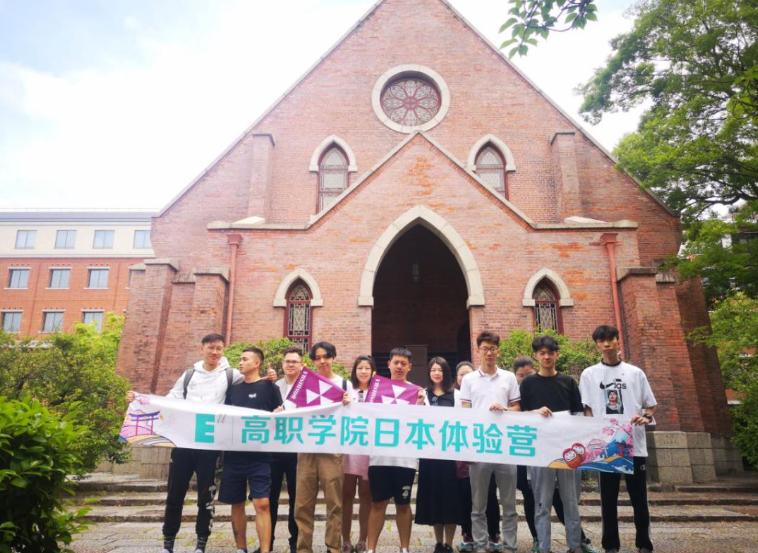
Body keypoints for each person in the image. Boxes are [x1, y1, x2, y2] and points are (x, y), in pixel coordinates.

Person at [126, 333, 241, 553]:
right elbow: (170, 400)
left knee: (206, 498)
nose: (215, 352)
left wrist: (270, 378)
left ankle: (201, 543)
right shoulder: (189, 375)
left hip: (209, 446)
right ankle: (168, 542)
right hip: (183, 444)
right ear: (202, 349)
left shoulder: (230, 375)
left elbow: (252, 384)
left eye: (219, 348)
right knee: (175, 495)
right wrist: (140, 399)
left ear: (223, 350)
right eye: (211, 348)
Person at [580, 325, 658, 553]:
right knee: (608, 499)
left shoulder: (635, 373)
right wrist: (594, 434)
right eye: (601, 340)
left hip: (634, 445)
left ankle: (644, 543)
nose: (606, 344)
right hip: (606, 446)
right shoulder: (589, 374)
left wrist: (645, 417)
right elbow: (587, 409)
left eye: (610, 339)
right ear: (597, 344)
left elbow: (650, 405)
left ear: (617, 340)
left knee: (639, 498)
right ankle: (610, 545)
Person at [512, 357, 596, 553]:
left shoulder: (567, 382)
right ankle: (542, 545)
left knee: (570, 502)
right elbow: (518, 415)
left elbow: (579, 415)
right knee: (540, 501)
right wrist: (534, 413)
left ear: (556, 354)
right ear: (537, 355)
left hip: (567, 451)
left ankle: (576, 544)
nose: (546, 356)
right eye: (542, 352)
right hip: (538, 452)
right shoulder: (528, 386)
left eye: (550, 352)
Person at [459, 331, 520, 553]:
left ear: (498, 351)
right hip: (479, 447)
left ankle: (510, 546)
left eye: (493, 348)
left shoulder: (509, 377)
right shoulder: (469, 380)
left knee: (509, 504)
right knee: (478, 505)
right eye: (485, 349)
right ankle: (480, 545)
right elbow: (465, 412)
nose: (489, 353)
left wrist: (505, 409)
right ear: (478, 350)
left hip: (505, 447)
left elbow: (517, 407)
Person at [219, 347, 283, 553]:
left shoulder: (270, 387)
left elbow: (281, 414)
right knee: (236, 502)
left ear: (257, 363)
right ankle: (241, 548)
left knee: (262, 503)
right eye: (240, 359)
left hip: (261, 456)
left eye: (245, 359)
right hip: (234, 454)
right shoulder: (233, 390)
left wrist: (279, 412)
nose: (241, 362)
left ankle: (265, 550)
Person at [366, 347, 427, 553]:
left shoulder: (418, 391)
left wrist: (420, 404)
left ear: (410, 367)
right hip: (379, 458)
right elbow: (364, 416)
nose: (399, 366)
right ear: (389, 364)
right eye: (396, 362)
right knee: (378, 503)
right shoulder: (375, 388)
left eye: (404, 363)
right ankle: (371, 549)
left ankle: (404, 548)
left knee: (403, 504)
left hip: (405, 459)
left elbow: (425, 422)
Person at [295, 341, 352, 553]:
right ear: (312, 361)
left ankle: (333, 546)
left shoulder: (344, 384)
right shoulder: (304, 382)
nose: (322, 361)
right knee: (303, 503)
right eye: (317, 358)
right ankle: (303, 548)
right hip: (307, 448)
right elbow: (293, 408)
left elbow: (355, 414)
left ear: (333, 358)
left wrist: (348, 404)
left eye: (326, 357)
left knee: (335, 502)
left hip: (332, 449)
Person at [415, 357, 464, 553]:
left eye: (440, 370)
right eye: (433, 370)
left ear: (446, 372)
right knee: (434, 498)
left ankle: (449, 543)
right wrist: (418, 404)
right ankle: (438, 542)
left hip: (450, 456)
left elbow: (463, 420)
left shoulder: (456, 395)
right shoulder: (423, 394)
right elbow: (414, 419)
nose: (436, 373)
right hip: (430, 456)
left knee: (450, 499)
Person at [454, 363, 501, 553]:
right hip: (463, 456)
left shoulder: (483, 396)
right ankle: (468, 535)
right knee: (466, 496)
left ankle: (494, 534)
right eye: (461, 375)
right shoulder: (454, 397)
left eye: (468, 374)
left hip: (485, 452)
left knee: (489, 495)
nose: (464, 378)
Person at [269, 346, 305, 553]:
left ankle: (295, 543)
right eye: (287, 361)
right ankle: (267, 542)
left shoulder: (307, 389)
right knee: (270, 497)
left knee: (296, 498)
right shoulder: (273, 386)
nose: (290, 364)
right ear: (282, 364)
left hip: (297, 449)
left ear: (302, 365)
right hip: (273, 449)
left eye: (294, 361)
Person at [342, 355, 376, 553]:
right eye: (360, 368)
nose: (363, 371)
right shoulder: (347, 391)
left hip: (369, 451)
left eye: (367, 368)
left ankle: (363, 539)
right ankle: (345, 539)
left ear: (373, 371)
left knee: (366, 495)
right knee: (346, 495)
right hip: (348, 449)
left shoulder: (378, 393)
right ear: (354, 371)